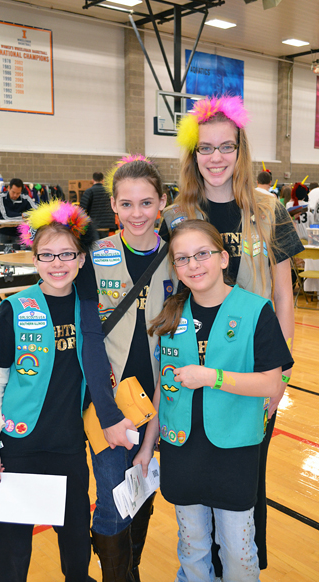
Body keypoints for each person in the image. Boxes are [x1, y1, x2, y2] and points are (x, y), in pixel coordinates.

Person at [159, 95, 303, 571]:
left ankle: (240, 568)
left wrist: (278, 375)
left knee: (246, 482)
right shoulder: (178, 214)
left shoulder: (268, 209)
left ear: (241, 151)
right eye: (205, 148)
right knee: (198, 484)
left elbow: (283, 293)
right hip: (195, 373)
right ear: (192, 155)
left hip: (253, 373)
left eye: (226, 147)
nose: (216, 157)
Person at [134, 219, 293, 582]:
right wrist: (147, 446)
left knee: (237, 548)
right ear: (175, 267)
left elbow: (271, 383)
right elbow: (163, 389)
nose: (194, 265)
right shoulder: (171, 316)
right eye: (183, 258)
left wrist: (212, 378)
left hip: (234, 449)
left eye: (202, 254)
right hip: (181, 448)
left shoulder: (256, 311)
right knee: (192, 544)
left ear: (223, 258)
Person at [0, 200, 98, 582]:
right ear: (34, 258)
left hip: (69, 446)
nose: (57, 262)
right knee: (12, 546)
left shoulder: (90, 309)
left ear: (81, 259)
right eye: (47, 254)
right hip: (21, 446)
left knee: (77, 538)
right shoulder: (15, 308)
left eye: (67, 253)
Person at [76, 154, 177, 582]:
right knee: (115, 497)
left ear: (162, 202)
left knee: (142, 491)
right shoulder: (92, 257)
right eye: (127, 204)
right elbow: (89, 339)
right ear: (113, 205)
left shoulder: (179, 258)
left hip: (158, 402)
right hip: (108, 402)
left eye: (147, 203)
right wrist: (107, 412)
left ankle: (129, 568)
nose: (137, 214)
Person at [0, 178, 36, 244]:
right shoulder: (1, 197)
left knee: (19, 253)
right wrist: (23, 215)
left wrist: (23, 215)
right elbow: (6, 216)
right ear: (9, 188)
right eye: (13, 192)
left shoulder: (25, 198)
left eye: (18, 193)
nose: (15, 195)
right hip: (3, 233)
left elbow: (36, 211)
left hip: (19, 234)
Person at [80, 171, 117, 238]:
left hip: (94, 225)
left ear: (92, 180)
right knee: (105, 246)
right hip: (107, 226)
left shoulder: (89, 191)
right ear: (103, 180)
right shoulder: (108, 192)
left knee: (95, 246)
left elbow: (82, 209)